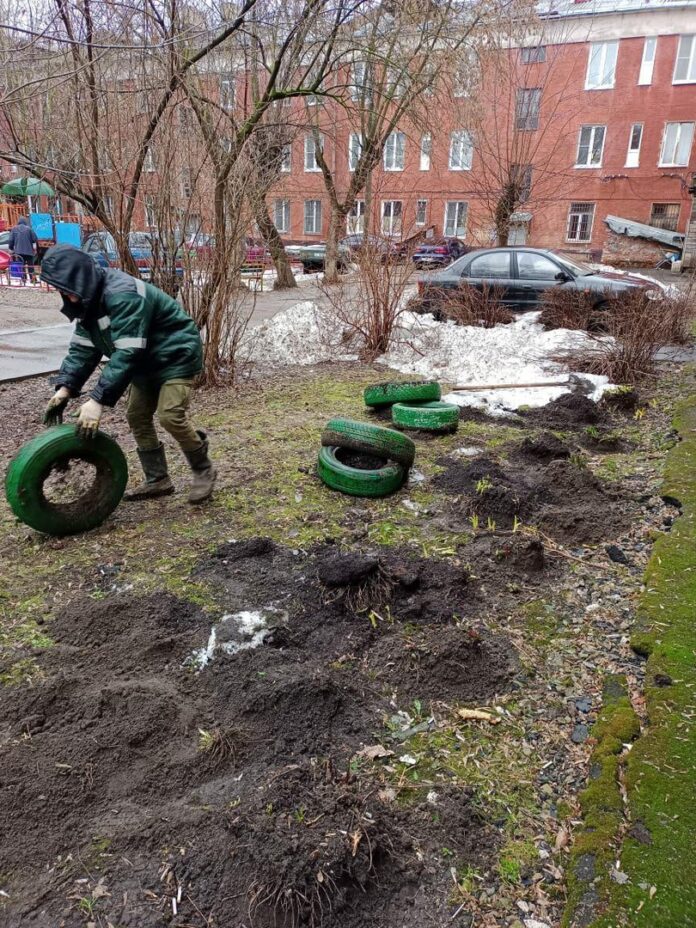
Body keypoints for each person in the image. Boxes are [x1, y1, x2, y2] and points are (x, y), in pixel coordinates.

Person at [40, 243, 216, 504]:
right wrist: (64, 388)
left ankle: (203, 469)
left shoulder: (123, 294)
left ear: (79, 279)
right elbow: (83, 349)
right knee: (137, 416)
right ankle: (158, 480)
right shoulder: (89, 301)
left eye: (64, 288)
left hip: (176, 355)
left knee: (170, 415)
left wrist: (97, 400)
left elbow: (128, 352)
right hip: (145, 361)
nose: (63, 294)